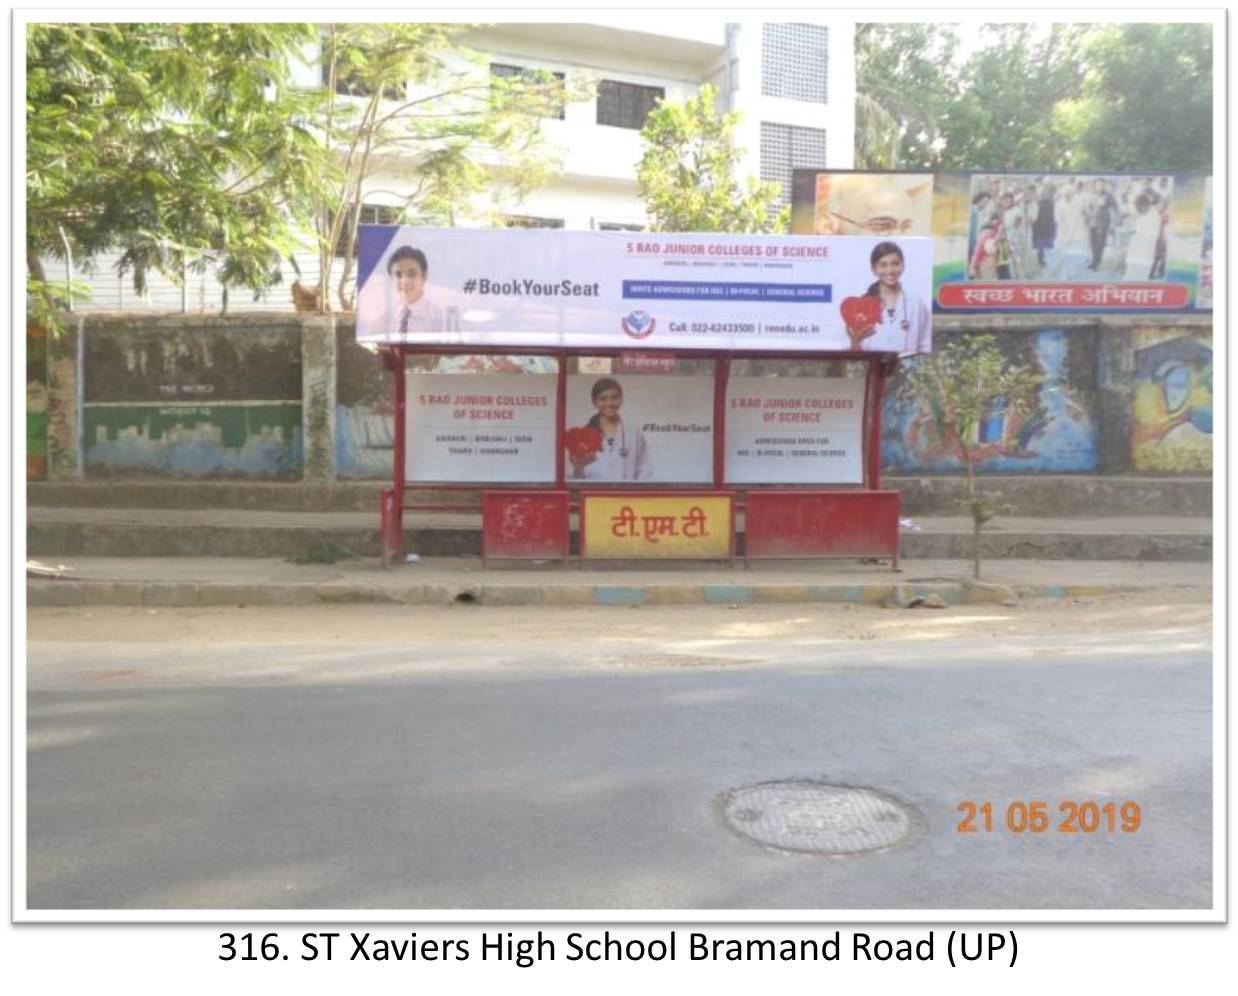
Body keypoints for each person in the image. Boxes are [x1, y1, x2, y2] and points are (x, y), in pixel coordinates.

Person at [847, 241, 931, 355]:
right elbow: (853, 352)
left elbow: (925, 345)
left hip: (905, 365)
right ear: (873, 269)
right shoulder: (861, 306)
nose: (890, 270)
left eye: (895, 264)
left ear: (903, 265)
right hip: (873, 364)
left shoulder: (916, 303)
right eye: (883, 265)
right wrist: (855, 342)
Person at [568, 377, 653, 480]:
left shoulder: (633, 433)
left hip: (626, 490)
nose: (609, 403)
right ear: (594, 402)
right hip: (594, 490)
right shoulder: (582, 434)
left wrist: (635, 489)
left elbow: (645, 469)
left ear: (621, 399)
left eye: (614, 398)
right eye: (603, 399)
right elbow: (575, 477)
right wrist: (578, 467)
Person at [387, 246, 445, 334]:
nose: (404, 280)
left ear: (424, 276)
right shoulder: (384, 321)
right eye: (398, 275)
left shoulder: (441, 321)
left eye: (411, 274)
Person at [1123, 193, 1162, 281]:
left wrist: (1137, 233)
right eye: (1136, 208)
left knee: (1138, 281)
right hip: (1135, 255)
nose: (1137, 210)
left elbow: (1153, 236)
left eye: (1138, 208)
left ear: (1145, 205)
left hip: (1144, 257)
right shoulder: (1142, 215)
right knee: (1128, 279)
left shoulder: (1154, 217)